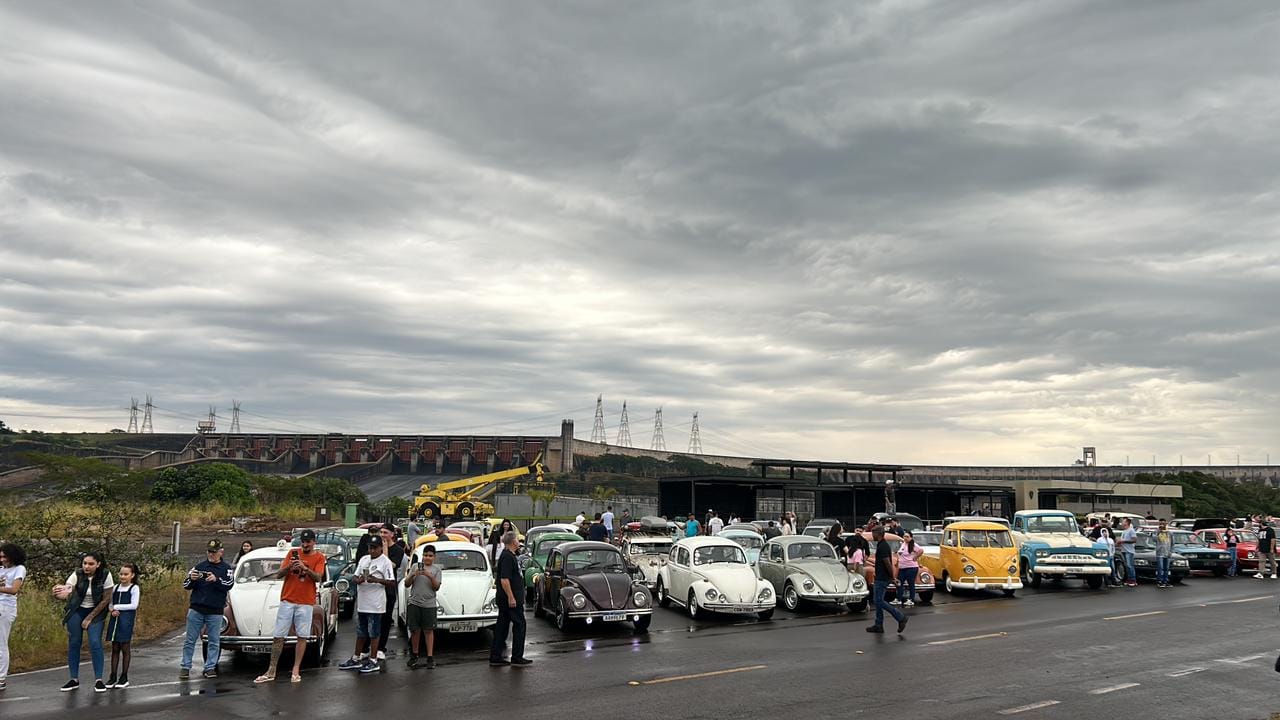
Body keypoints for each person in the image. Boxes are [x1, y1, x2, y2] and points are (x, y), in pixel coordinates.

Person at [254, 529, 326, 684]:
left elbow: (318, 577)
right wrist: (290, 566)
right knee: (278, 635)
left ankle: (296, 669)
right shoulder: (292, 553)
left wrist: (305, 568)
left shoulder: (319, 557)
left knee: (302, 636)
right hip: (288, 599)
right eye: (303, 542)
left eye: (308, 542)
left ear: (314, 542)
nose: (305, 545)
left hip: (305, 602)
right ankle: (271, 669)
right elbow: (280, 574)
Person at [338, 535, 396, 674]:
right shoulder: (364, 559)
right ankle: (356, 657)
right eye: (370, 547)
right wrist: (357, 580)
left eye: (375, 547)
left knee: (374, 632)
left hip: (376, 604)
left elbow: (391, 582)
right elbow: (355, 576)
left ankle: (373, 659)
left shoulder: (385, 562)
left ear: (381, 548)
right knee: (361, 631)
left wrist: (376, 580)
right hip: (363, 602)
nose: (372, 550)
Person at [57, 551, 113, 692]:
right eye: (85, 563)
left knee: (95, 642)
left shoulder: (106, 575)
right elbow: (68, 588)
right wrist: (61, 593)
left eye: (90, 564)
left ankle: (99, 680)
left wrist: (90, 617)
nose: (87, 566)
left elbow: (106, 599)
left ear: (98, 564)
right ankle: (73, 679)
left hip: (96, 611)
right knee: (74, 642)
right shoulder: (77, 574)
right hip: (77, 609)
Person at [180, 539, 234, 680]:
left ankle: (210, 667)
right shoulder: (199, 566)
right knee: (190, 640)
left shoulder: (226, 568)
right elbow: (186, 585)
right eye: (209, 552)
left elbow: (229, 584)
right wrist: (192, 578)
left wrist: (216, 579)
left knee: (214, 640)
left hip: (215, 610)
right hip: (197, 608)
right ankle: (185, 666)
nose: (211, 554)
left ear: (221, 552)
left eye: (214, 552)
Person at [489, 531, 530, 667]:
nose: (519, 542)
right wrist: (511, 597)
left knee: (502, 626)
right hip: (510, 599)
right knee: (519, 625)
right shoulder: (507, 557)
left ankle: (496, 656)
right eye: (517, 540)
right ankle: (517, 656)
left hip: (508, 598)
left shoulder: (511, 555)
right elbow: (504, 580)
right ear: (513, 542)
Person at [404, 544, 442, 669]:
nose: (427, 558)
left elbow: (436, 587)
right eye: (425, 555)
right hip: (414, 603)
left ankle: (430, 657)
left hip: (429, 604)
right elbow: (407, 584)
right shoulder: (415, 566)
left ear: (434, 557)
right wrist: (413, 575)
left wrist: (428, 575)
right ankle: (415, 655)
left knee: (429, 631)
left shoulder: (436, 570)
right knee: (415, 630)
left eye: (430, 556)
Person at [105, 562, 140, 689]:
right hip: (115, 620)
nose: (123, 576)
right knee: (115, 648)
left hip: (126, 620)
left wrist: (117, 607)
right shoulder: (115, 588)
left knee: (125, 648)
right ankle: (112, 676)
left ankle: (124, 676)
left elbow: (134, 605)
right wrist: (111, 610)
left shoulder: (134, 588)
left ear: (132, 575)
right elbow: (110, 603)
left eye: (126, 574)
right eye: (121, 574)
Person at [866, 527, 906, 635]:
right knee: (878, 601)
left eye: (873, 533)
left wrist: (892, 577)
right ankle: (878, 625)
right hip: (881, 576)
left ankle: (900, 617)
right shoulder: (881, 545)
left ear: (878, 534)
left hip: (883, 578)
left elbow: (887, 563)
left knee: (878, 601)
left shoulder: (883, 546)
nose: (872, 535)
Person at [0, 543, 27, 692]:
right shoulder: (1, 569)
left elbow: (14, 589)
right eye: (1, 557)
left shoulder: (19, 569)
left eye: (5, 557)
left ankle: (1, 677)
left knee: (1, 643)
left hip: (5, 608)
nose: (3, 560)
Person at [376, 524, 406, 659]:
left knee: (386, 619)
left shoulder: (398, 551)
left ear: (392, 534)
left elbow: (389, 566)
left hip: (388, 589)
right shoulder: (375, 548)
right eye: (381, 532)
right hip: (375, 588)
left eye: (385, 532)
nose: (382, 535)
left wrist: (385, 549)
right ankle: (368, 647)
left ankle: (381, 647)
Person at [895, 531, 923, 606]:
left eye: (907, 537)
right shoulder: (903, 544)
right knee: (899, 583)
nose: (905, 538)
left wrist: (916, 557)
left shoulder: (913, 545)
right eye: (904, 536)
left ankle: (911, 599)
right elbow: (899, 553)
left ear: (911, 537)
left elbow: (921, 550)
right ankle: (899, 599)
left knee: (911, 584)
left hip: (911, 567)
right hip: (902, 567)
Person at [1118, 518, 1138, 587]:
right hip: (1124, 550)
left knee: (1130, 565)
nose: (1122, 523)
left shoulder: (1131, 530)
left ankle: (1133, 580)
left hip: (1129, 551)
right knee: (1127, 566)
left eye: (1123, 521)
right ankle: (1129, 579)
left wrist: (1123, 541)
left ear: (1127, 523)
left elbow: (1134, 540)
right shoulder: (1124, 531)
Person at [1153, 519, 1173, 588]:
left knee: (1166, 568)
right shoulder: (1156, 531)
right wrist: (1159, 532)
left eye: (1163, 524)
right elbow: (1154, 539)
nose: (1162, 525)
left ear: (1166, 524)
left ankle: (1165, 581)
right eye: (1160, 524)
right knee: (1160, 567)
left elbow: (1173, 543)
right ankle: (1159, 581)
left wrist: (1171, 551)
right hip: (1160, 553)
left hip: (1167, 552)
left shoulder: (1169, 533)